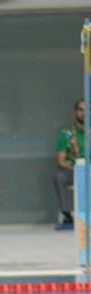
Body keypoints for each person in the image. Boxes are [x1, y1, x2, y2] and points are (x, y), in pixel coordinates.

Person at [54, 99, 85, 231]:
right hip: (74, 171)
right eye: (80, 110)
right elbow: (60, 161)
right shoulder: (66, 134)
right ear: (75, 112)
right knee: (59, 177)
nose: (83, 113)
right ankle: (68, 216)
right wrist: (76, 169)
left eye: (86, 110)